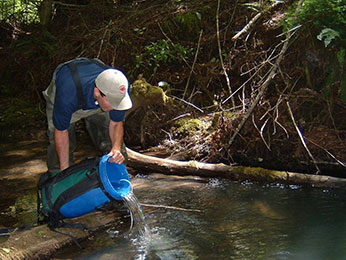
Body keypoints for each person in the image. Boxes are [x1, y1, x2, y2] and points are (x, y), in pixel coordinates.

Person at [42, 58, 132, 173]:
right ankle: (56, 180)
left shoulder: (119, 88)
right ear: (97, 93)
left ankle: (118, 181)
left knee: (115, 150)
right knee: (57, 151)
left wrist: (116, 149)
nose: (116, 107)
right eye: (113, 102)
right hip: (70, 89)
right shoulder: (67, 94)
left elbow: (115, 124)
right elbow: (61, 132)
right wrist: (65, 173)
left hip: (97, 100)